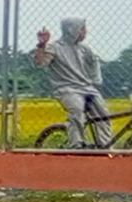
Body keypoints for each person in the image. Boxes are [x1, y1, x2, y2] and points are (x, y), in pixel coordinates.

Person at [33, 18, 105, 148]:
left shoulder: (84, 49)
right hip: (66, 89)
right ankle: (76, 144)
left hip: (87, 88)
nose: (85, 32)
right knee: (77, 110)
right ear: (72, 30)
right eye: (82, 29)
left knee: (102, 113)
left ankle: (104, 145)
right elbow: (40, 62)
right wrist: (42, 45)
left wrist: (96, 81)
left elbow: (94, 62)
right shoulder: (55, 47)